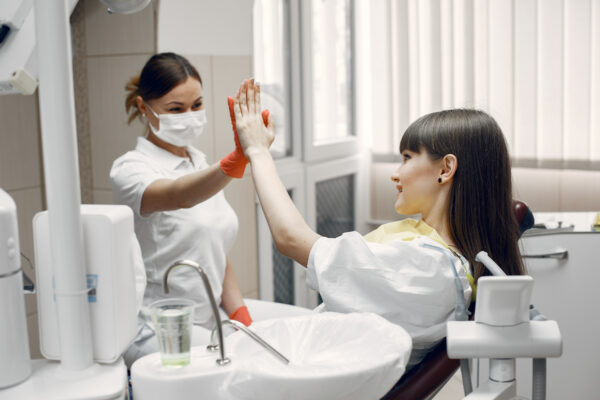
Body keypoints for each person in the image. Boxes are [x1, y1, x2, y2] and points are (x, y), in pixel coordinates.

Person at [230, 80, 525, 370]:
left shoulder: (426, 269)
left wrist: (258, 151)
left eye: (407, 158)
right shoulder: (426, 249)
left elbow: (290, 239)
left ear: (445, 169)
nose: (396, 174)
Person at [110, 53, 268, 367]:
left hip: (208, 321)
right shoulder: (130, 170)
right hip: (159, 328)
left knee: (273, 349)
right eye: (176, 109)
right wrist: (237, 159)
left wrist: (242, 317)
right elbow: (178, 195)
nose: (190, 115)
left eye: (196, 105)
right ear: (144, 108)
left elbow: (214, 249)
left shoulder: (198, 161)